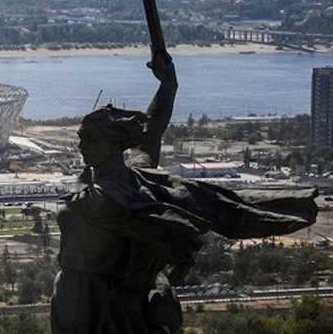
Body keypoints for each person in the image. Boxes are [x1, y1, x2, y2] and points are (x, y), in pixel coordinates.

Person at [50, 52, 317, 334]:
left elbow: (94, 200)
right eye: (81, 138)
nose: (81, 146)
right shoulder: (132, 175)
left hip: (98, 304)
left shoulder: (117, 193)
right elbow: (153, 129)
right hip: (76, 295)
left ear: (114, 144)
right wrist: (167, 86)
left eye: (91, 139)